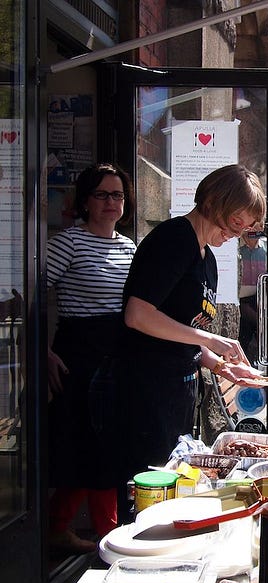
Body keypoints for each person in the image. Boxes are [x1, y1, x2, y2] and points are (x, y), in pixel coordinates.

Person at [118, 165, 268, 502]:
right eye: (236, 222)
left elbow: (184, 334)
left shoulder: (207, 258)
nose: (237, 233)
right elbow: (137, 315)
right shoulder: (175, 239)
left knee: (173, 489)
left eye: (245, 227)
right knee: (149, 493)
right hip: (146, 391)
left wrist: (222, 366)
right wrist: (209, 339)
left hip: (178, 393)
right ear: (214, 202)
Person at [46, 163, 137, 554]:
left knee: (103, 451)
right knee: (91, 450)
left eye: (117, 195)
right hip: (79, 359)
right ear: (85, 201)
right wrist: (41, 351)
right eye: (101, 194)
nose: (110, 202)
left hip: (117, 360)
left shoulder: (129, 248)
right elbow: (27, 296)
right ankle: (108, 539)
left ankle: (57, 528)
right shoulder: (67, 243)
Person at [238, 230, 268, 363]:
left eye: (259, 226)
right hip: (239, 302)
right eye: (252, 226)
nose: (256, 229)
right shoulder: (235, 248)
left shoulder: (267, 248)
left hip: (260, 301)